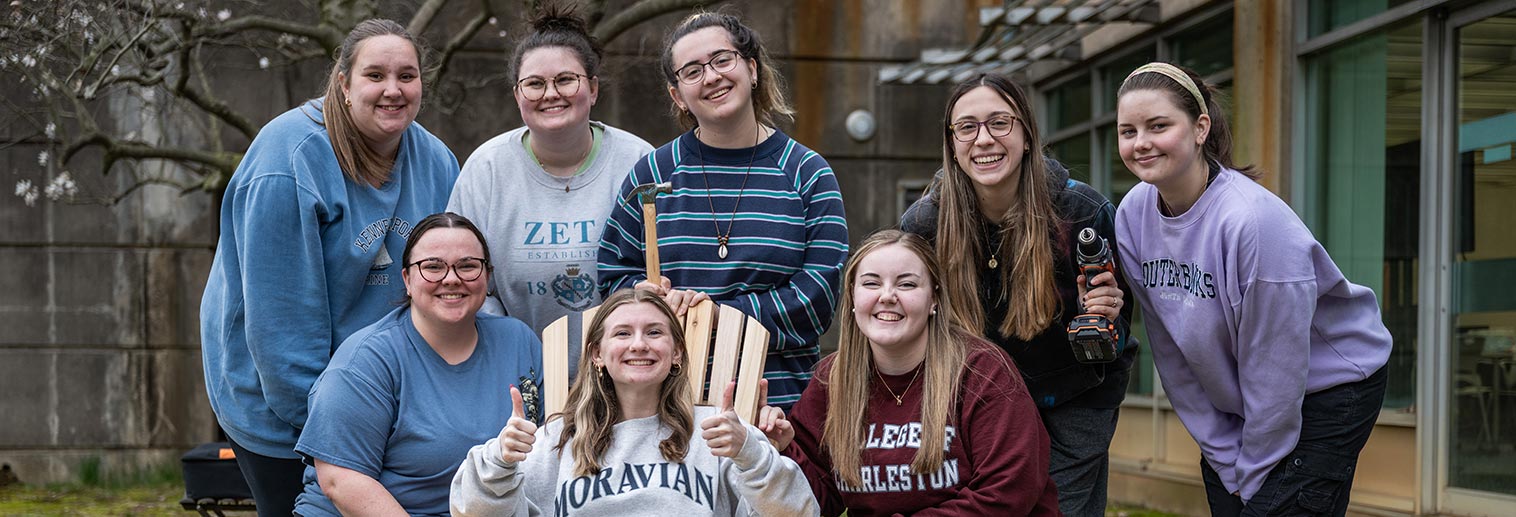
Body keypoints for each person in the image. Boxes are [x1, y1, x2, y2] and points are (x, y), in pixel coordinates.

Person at [199, 19, 459, 516]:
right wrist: (337, 432)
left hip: (383, 396)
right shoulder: (288, 163)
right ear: (342, 83)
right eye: (375, 75)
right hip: (281, 402)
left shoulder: (437, 161)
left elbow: (449, 285)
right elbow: (282, 331)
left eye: (407, 75)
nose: (393, 90)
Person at [1113, 62, 1391, 516]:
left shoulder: (1252, 222)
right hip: (1248, 394)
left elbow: (1275, 371)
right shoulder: (1132, 216)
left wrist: (1254, 472)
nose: (1141, 142)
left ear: (1200, 127)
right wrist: (1222, 453)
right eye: (1128, 130)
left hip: (1330, 385)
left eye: (1158, 126)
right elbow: (1171, 353)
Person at [899, 73, 1133, 516]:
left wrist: (1105, 318)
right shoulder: (923, 225)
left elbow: (1113, 344)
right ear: (952, 144)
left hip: (1068, 401)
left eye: (999, 123)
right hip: (972, 408)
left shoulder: (1081, 213)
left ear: (1026, 134)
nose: (983, 139)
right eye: (967, 127)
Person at [597, 11, 848, 411]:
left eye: (721, 60)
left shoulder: (807, 173)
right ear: (677, 94)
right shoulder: (653, 174)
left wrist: (714, 317)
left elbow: (816, 302)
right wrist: (640, 298)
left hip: (778, 411)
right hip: (667, 412)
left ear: (751, 69)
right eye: (692, 71)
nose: (711, 77)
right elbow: (612, 278)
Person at [765, 229, 1060, 516]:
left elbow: (1006, 493)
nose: (888, 296)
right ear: (852, 297)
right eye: (871, 283)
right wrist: (781, 451)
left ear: (934, 299)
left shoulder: (981, 372)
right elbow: (817, 500)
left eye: (906, 284)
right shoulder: (833, 380)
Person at [449, 288, 818, 516]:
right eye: (623, 333)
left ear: (676, 352)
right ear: (597, 354)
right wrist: (498, 461)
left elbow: (798, 512)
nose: (639, 344)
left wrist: (751, 455)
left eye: (654, 333)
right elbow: (472, 511)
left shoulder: (719, 435)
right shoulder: (555, 441)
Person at [292, 213, 543, 516]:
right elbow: (340, 481)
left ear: (487, 277)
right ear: (407, 279)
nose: (452, 278)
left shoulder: (518, 341)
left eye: (468, 266)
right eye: (433, 267)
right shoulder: (366, 361)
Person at [448, 6, 654, 342]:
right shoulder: (486, 169)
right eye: (534, 84)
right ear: (517, 96)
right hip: (517, 370)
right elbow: (462, 278)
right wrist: (511, 349)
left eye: (565, 80)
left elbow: (661, 276)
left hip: (626, 370)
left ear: (594, 88)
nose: (551, 93)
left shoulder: (638, 162)